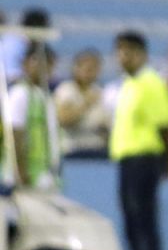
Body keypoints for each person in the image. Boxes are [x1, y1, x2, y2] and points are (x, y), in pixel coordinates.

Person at [109, 30, 168, 250]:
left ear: (140, 53)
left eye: (126, 51)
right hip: (127, 161)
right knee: (133, 225)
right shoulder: (128, 84)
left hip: (143, 160)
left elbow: (166, 125)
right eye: (119, 51)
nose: (121, 57)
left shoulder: (151, 83)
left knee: (143, 225)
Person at [8, 41, 59, 188]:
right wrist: (21, 173)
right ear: (25, 64)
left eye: (49, 63)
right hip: (25, 175)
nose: (43, 68)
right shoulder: (20, 94)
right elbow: (15, 135)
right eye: (37, 62)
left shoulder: (46, 96)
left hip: (45, 173)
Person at [54, 48, 110, 158]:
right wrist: (86, 104)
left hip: (97, 150)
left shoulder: (100, 92)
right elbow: (63, 119)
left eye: (94, 68)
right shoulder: (66, 89)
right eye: (87, 68)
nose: (90, 72)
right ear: (76, 68)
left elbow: (106, 125)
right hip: (72, 151)